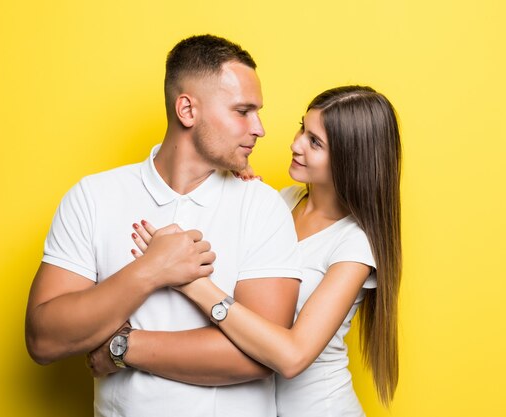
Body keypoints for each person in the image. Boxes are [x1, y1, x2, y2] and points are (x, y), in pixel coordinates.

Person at [25, 34, 303, 417]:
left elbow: (261, 356)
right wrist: (152, 269)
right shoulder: (93, 196)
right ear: (187, 110)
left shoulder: (262, 206)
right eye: (243, 111)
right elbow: (44, 338)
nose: (260, 128)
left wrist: (122, 348)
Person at [128, 85, 402, 416]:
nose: (295, 144)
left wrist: (193, 284)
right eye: (303, 128)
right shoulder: (280, 201)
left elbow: (292, 356)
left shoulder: (355, 244)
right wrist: (232, 179)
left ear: (350, 160)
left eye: (315, 143)